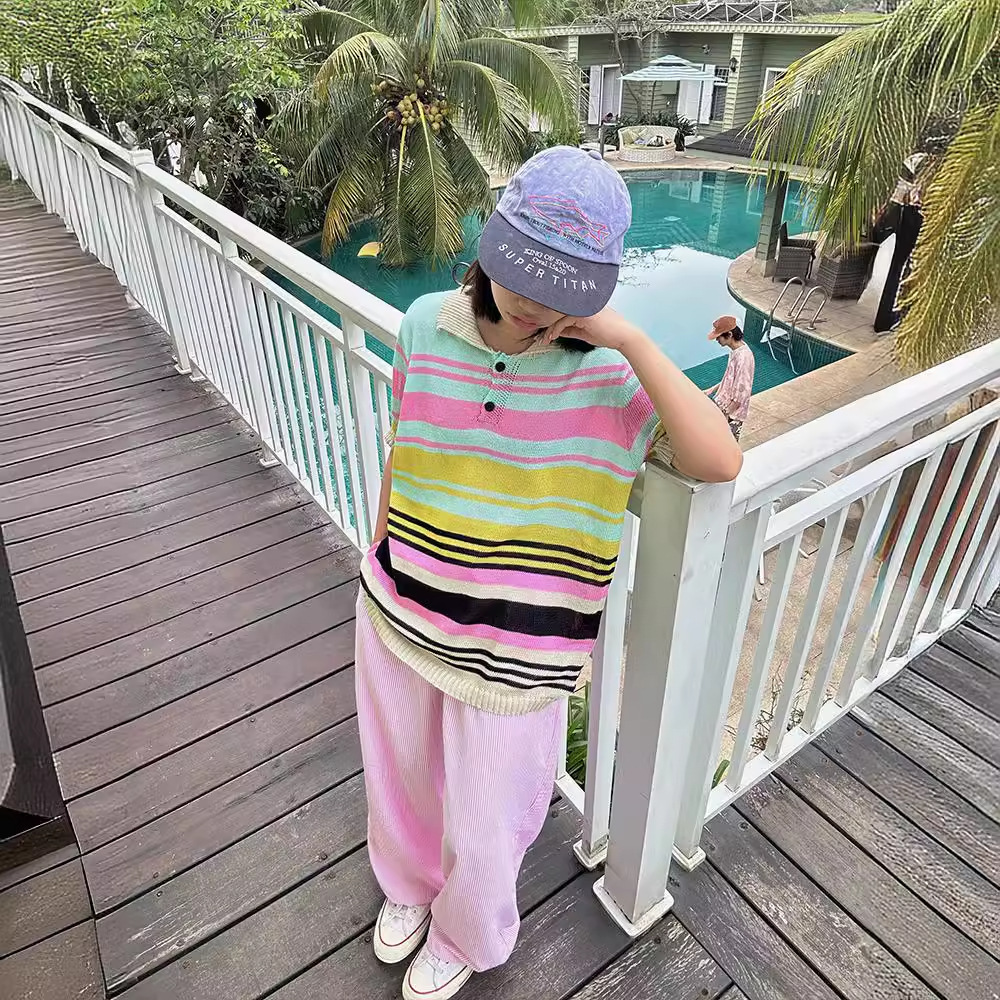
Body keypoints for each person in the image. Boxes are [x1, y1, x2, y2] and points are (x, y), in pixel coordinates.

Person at [356, 146, 742, 1000]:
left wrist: (631, 338)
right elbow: (405, 445)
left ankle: (464, 931)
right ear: (490, 248)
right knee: (404, 776)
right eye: (523, 273)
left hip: (521, 648)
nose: (533, 302)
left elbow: (718, 461)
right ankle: (408, 886)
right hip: (400, 607)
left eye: (562, 287)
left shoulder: (612, 374)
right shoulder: (421, 323)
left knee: (489, 812)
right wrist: (377, 552)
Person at [704, 315, 755, 441]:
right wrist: (712, 389)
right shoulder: (735, 351)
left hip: (732, 415)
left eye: (719, 337)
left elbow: (742, 392)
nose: (717, 340)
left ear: (730, 334)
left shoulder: (744, 358)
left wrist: (726, 415)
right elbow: (730, 378)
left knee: (724, 445)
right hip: (723, 405)